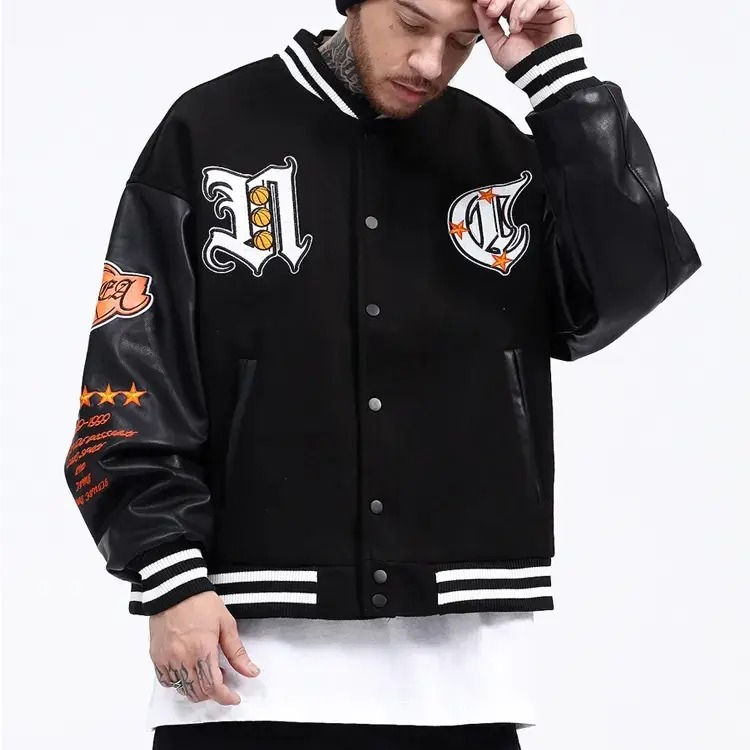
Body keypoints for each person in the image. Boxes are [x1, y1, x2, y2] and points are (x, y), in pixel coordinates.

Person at [62, 1, 701, 748]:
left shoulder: (500, 154)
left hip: (460, 679)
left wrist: (559, 78)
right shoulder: (209, 131)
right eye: (411, 23)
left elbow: (624, 286)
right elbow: (131, 377)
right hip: (243, 666)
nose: (431, 63)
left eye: (461, 41)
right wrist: (169, 577)